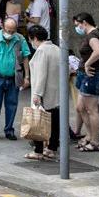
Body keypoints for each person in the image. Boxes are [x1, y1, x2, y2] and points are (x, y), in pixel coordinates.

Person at [0, 17, 30, 140]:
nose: (10, 33)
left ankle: (9, 130)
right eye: (8, 30)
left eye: (13, 31)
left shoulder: (20, 39)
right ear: (3, 28)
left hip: (13, 78)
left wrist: (27, 77)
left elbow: (25, 58)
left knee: (12, 105)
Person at [72, 12, 99, 151]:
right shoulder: (93, 34)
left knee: (91, 109)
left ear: (84, 22)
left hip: (92, 75)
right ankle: (89, 135)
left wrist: (87, 64)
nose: (77, 28)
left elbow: (98, 51)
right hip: (86, 75)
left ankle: (95, 141)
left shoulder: (93, 36)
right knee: (80, 107)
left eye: (78, 25)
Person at [24, 25, 60, 161]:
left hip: (44, 93)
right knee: (55, 121)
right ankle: (51, 149)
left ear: (34, 38)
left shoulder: (41, 51)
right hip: (57, 93)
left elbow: (41, 74)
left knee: (38, 120)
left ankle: (38, 150)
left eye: (30, 39)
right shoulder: (57, 49)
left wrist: (37, 94)